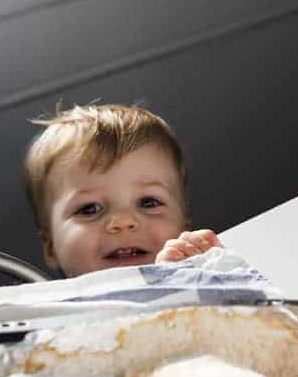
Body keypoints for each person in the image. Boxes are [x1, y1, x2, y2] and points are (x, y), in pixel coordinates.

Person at [23, 103, 221, 277]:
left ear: (184, 227)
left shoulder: (203, 278)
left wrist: (206, 271)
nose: (123, 222)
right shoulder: (54, 316)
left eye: (148, 203)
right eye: (89, 209)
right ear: (51, 247)